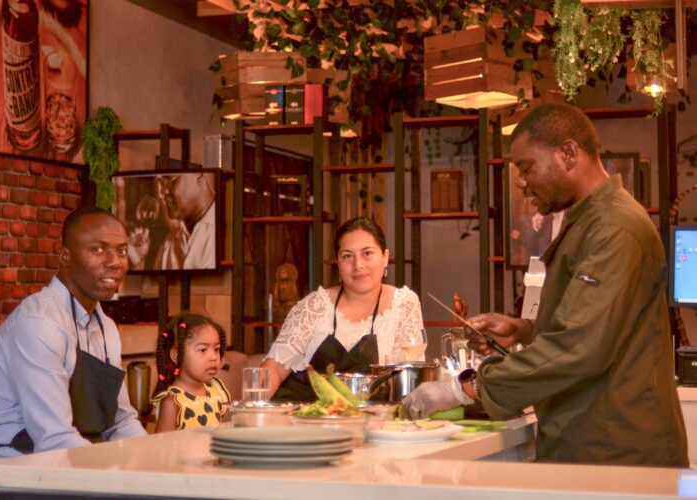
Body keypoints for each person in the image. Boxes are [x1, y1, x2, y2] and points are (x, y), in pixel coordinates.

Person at [403, 102, 688, 467]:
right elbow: (598, 323)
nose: (521, 182)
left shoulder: (614, 227)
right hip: (589, 443)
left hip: (616, 452)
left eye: (526, 167)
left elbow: (578, 347)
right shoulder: (589, 219)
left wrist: (465, 387)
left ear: (569, 153)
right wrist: (523, 330)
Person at [0, 206, 146, 460]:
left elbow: (121, 423)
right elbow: (54, 439)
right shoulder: (39, 324)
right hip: (21, 473)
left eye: (121, 251)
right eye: (97, 250)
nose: (114, 262)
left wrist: (154, 462)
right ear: (65, 257)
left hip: (76, 464)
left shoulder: (106, 327)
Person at [262, 217, 425, 401]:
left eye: (367, 253)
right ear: (338, 263)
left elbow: (410, 376)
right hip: (306, 418)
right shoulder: (314, 306)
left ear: (385, 257)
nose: (358, 265)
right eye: (347, 256)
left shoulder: (403, 303)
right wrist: (250, 409)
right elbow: (274, 369)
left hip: (375, 421)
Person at [152, 314, 230, 432]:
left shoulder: (216, 391)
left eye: (216, 349)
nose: (213, 357)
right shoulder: (173, 401)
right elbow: (162, 446)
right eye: (203, 350)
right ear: (177, 356)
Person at [127, 172, 216, 270]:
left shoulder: (226, 231)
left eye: (169, 180)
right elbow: (156, 285)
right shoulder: (169, 244)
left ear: (199, 174)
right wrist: (138, 263)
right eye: (159, 184)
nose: (160, 194)